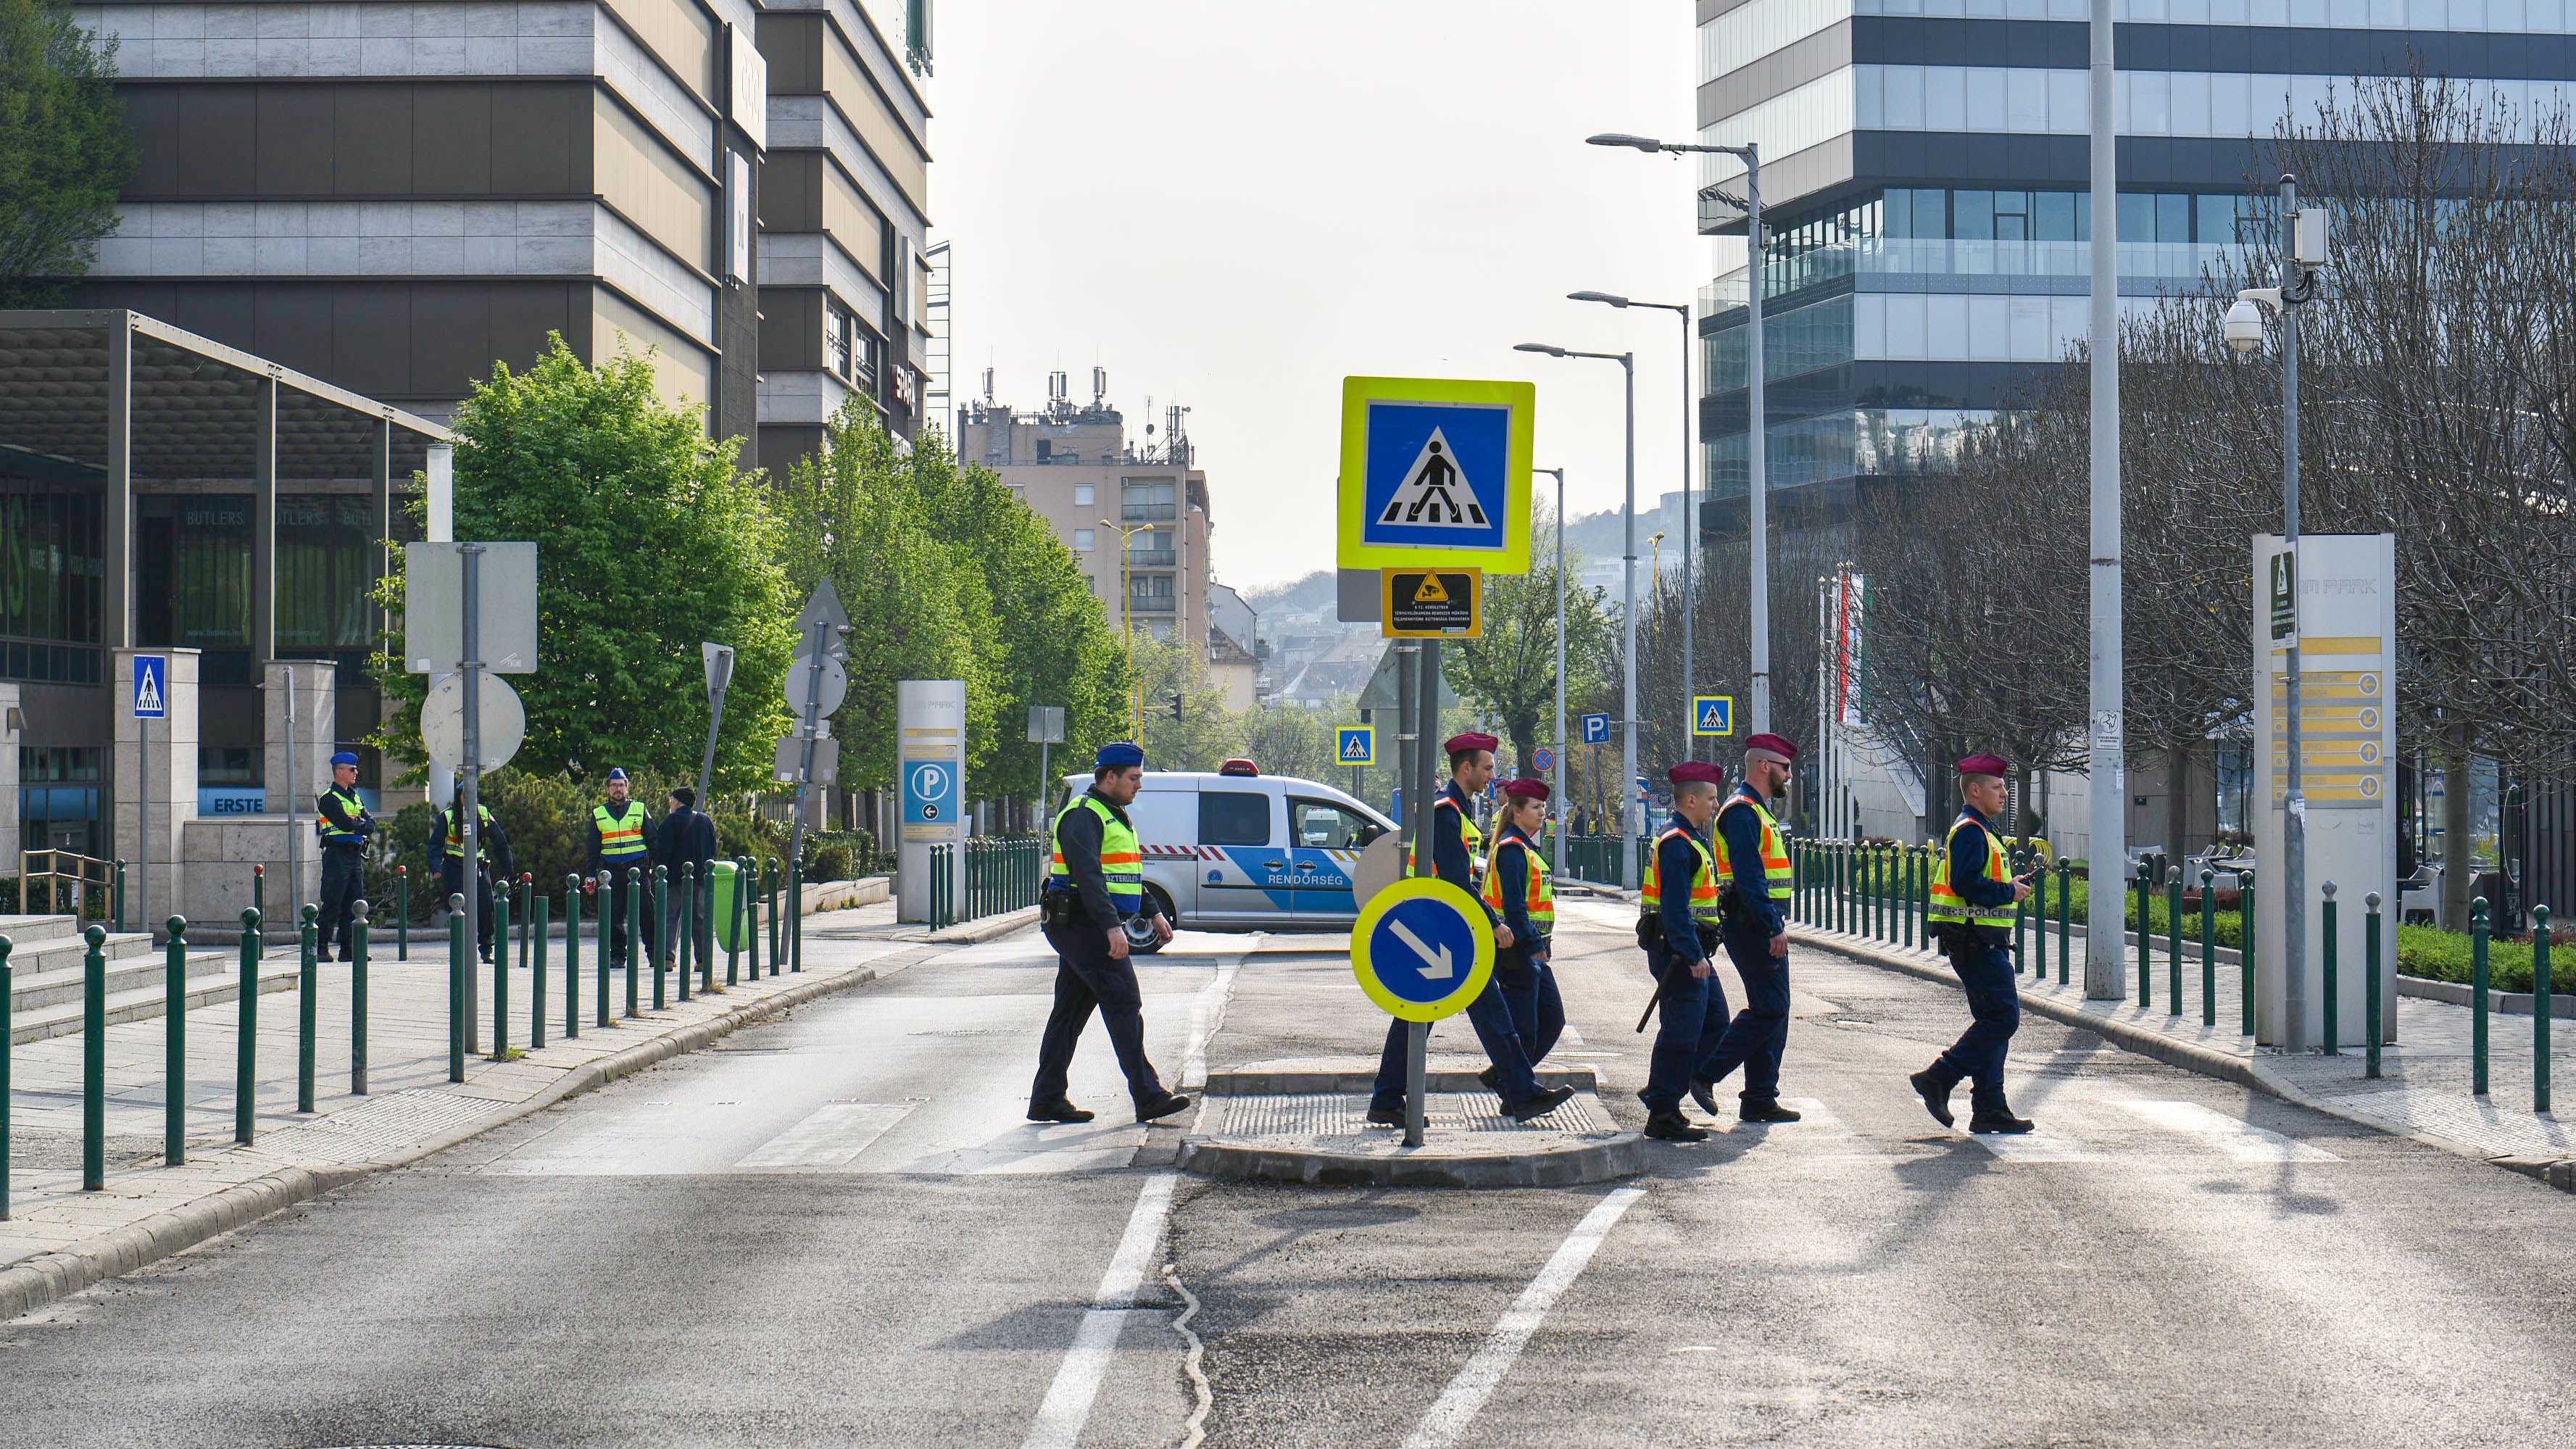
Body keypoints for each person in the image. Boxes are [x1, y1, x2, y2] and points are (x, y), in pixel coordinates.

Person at [1367, 732, 1576, 1128]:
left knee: (1420, 1015)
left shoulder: (1454, 811)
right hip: (1443, 928)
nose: (1491, 776)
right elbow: (1455, 882)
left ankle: (1388, 1098)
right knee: (1488, 1015)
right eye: (1487, 768)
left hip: (1438, 926)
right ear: (1466, 768)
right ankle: (1521, 1091)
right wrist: (1493, 922)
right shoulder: (1446, 811)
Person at [1030, 743, 1192, 1126]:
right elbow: (1089, 878)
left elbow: (1125, 876)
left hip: (1085, 924)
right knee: (1123, 1000)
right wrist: (1112, 928)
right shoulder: (1083, 816)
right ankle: (1148, 1095)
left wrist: (1152, 912)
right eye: (1133, 778)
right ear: (1110, 777)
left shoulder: (1112, 815)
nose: (1139, 786)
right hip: (1082, 924)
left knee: (1069, 1013)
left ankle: (1046, 1098)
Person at [1910, 754, 2037, 1134]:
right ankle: (1939, 1077)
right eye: (1998, 788)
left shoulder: (1981, 829)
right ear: (1976, 791)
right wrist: (2008, 890)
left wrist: (2007, 887)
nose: (2005, 793)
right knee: (2003, 1018)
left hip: (1983, 939)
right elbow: (1967, 884)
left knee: (1993, 1022)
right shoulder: (1970, 830)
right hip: (1974, 940)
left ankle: (1989, 1108)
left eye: (2005, 787)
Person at [1689, 733, 1805, 1125]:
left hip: (1757, 920)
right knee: (1771, 1008)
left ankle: (1759, 1097)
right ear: (1763, 766)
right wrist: (1772, 927)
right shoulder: (1742, 812)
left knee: (1773, 1009)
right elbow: (1752, 878)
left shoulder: (1757, 811)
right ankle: (1704, 1072)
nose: (1789, 775)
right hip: (1751, 922)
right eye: (1784, 768)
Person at [1637, 760, 1729, 1142]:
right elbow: (1675, 910)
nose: (1715, 804)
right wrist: (1693, 955)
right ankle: (1663, 1111)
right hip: (1678, 952)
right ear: (1691, 800)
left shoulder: (1688, 838)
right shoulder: (1677, 843)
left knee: (1715, 1022)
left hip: (1688, 951)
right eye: (1710, 798)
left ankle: (1664, 1086)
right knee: (1681, 1031)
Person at [1481, 776, 1564, 1071]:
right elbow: (1516, 908)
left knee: (1552, 1019)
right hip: (1517, 949)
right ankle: (1516, 1090)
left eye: (1543, 806)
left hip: (1531, 948)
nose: (1543, 812)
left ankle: (1508, 1076)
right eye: (1535, 807)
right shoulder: (1513, 849)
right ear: (1516, 810)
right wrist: (1532, 946)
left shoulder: (1525, 848)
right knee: (1526, 1026)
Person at [431, 786, 513, 963]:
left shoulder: (482, 812)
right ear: (458, 797)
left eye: (472, 794)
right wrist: (436, 868)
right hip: (455, 866)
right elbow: (435, 845)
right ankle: (460, 949)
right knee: (458, 908)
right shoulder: (448, 816)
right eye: (465, 795)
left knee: (486, 908)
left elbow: (500, 841)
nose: (469, 799)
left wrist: (508, 867)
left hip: (478, 867)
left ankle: (486, 949)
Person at [586, 767, 655, 976]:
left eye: (622, 785)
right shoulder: (599, 814)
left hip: (638, 870)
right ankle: (617, 956)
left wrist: (657, 867)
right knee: (613, 915)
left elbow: (653, 839)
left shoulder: (639, 809)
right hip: (612, 872)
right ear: (607, 789)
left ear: (628, 787)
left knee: (647, 912)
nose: (618, 789)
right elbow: (592, 847)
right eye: (614, 785)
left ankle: (655, 954)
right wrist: (590, 873)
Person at [312, 751, 374, 963]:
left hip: (354, 855)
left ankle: (348, 949)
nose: (356, 772)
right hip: (336, 854)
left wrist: (359, 825)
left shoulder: (355, 797)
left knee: (355, 903)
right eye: (352, 769)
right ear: (339, 772)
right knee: (332, 902)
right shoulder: (328, 799)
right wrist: (360, 825)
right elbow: (346, 824)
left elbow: (371, 824)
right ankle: (321, 948)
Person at [655, 786, 718, 976]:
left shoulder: (670, 822)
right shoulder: (706, 821)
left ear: (677, 802)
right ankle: (703, 960)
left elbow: (662, 851)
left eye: (671, 801)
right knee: (699, 918)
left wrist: (660, 873)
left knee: (670, 917)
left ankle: (667, 958)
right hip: (699, 879)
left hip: (674, 879)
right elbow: (713, 849)